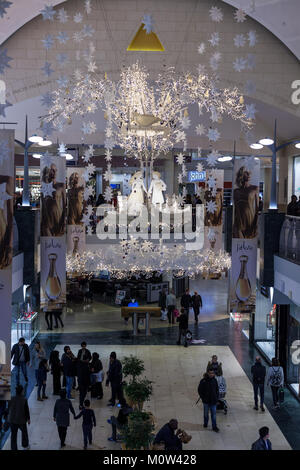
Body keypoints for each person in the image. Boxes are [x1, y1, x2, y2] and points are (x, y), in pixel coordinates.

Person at [8, 384, 30, 450]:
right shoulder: (24, 399)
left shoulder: (11, 399)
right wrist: (28, 419)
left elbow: (9, 409)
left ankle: (14, 448)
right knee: (24, 433)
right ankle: (25, 445)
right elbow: (26, 410)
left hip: (13, 420)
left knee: (13, 436)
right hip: (21, 420)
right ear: (22, 391)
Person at [77, 342, 92, 409]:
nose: (83, 347)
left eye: (84, 346)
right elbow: (78, 358)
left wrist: (87, 360)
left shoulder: (88, 351)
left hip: (82, 383)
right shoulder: (80, 351)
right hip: (83, 383)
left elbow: (89, 358)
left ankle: (81, 404)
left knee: (82, 394)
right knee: (82, 394)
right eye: (82, 346)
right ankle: (81, 404)